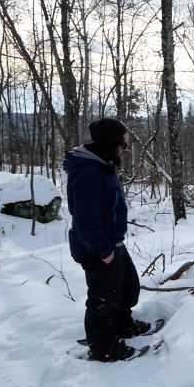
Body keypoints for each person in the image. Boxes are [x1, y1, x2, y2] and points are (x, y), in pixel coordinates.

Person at [63, 117, 154, 362]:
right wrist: (103, 250)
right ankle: (103, 347)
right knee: (103, 301)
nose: (126, 147)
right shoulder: (88, 172)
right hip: (96, 248)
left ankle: (123, 326)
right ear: (109, 144)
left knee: (127, 288)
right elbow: (84, 220)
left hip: (111, 243)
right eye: (123, 142)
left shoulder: (101, 165)